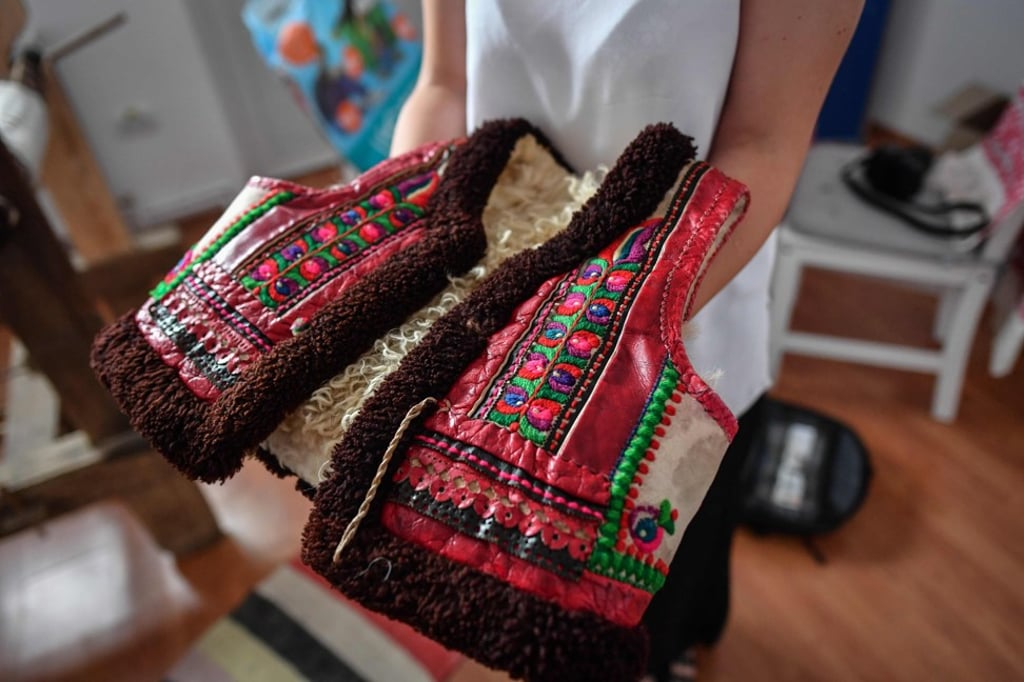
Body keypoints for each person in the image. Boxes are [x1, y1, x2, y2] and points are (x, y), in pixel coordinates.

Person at [390, 2, 863, 680]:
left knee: (665, 566)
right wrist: (415, 246)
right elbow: (443, 85)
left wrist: (602, 324)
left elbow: (763, 142)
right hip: (489, 298)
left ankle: (675, 649)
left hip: (687, 300)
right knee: (524, 563)